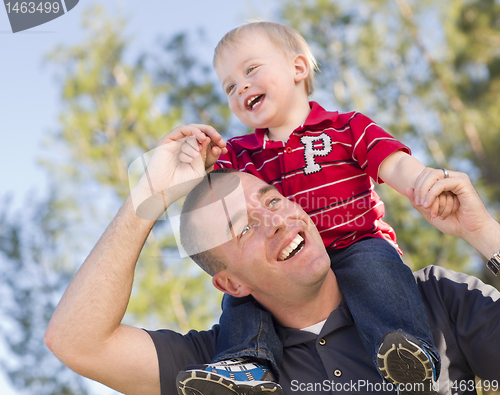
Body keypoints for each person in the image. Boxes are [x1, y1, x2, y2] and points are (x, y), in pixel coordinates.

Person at [44, 129, 500, 395]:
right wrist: (146, 198)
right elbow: (76, 341)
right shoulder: (220, 369)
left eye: (273, 199)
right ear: (230, 285)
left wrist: (484, 234)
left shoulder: (437, 299)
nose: (276, 221)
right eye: (243, 228)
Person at [177, 21, 460, 393]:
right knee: (242, 298)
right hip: (288, 264)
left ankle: (406, 350)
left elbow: (392, 162)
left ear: (297, 68)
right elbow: (212, 205)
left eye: (251, 70)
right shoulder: (239, 155)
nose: (240, 86)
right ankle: (247, 365)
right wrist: (199, 161)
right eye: (229, 86)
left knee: (378, 275)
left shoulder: (345, 128)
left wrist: (423, 182)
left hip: (359, 241)